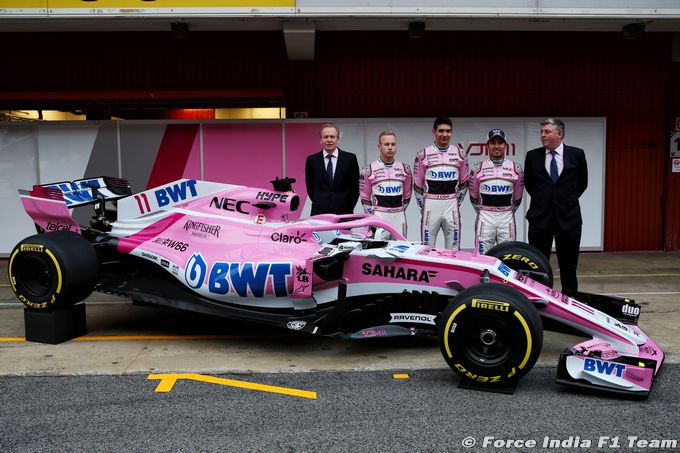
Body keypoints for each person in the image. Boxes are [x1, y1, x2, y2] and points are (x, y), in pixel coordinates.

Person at [524, 118, 588, 295]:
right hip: (540, 219)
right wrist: (545, 200)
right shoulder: (532, 156)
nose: (543, 135)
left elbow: (582, 183)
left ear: (559, 134)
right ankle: (540, 297)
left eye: (547, 131)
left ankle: (570, 299)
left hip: (569, 219)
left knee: (569, 264)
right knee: (537, 264)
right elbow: (530, 184)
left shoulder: (577, 155)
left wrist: (563, 201)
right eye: (541, 132)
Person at [413, 116, 469, 250]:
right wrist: (423, 206)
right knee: (427, 249)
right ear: (434, 131)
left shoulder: (460, 154)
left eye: (448, 131)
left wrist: (457, 202)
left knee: (453, 248)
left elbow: (464, 183)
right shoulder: (423, 154)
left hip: (451, 204)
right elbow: (417, 186)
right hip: (430, 204)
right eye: (441, 131)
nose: (445, 134)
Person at [469, 129, 524, 254]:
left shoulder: (516, 169)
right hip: (485, 217)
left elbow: (517, 197)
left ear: (505, 145)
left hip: (507, 217)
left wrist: (506, 210)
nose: (497, 146)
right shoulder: (478, 168)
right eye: (493, 143)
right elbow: (473, 195)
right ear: (487, 145)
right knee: (482, 256)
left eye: (500, 143)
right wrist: (484, 210)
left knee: (508, 255)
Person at [359, 131, 412, 240]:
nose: (390, 147)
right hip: (379, 216)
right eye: (386, 144)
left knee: (401, 250)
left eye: (393, 144)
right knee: (378, 251)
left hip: (399, 216)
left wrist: (399, 210)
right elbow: (364, 197)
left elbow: (407, 195)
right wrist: (372, 216)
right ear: (379, 146)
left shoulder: (405, 169)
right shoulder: (368, 170)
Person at [305, 123, 360, 216]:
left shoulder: (350, 159)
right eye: (325, 137)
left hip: (344, 213)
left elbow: (355, 187)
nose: (329, 140)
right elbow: (310, 187)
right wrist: (321, 202)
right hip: (320, 213)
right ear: (321, 140)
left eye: (332, 137)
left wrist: (349, 207)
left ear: (338, 139)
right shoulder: (312, 160)